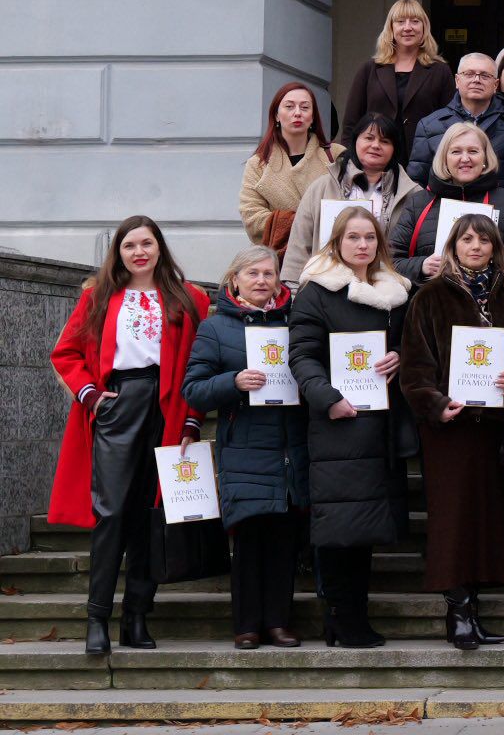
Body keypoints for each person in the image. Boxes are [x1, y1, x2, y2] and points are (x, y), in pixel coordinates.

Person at [49, 216, 210, 656]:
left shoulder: (190, 297)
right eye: (129, 246)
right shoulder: (99, 295)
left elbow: (202, 362)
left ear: (159, 247)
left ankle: (137, 616)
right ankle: (97, 617)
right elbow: (65, 352)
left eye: (147, 243)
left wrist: (193, 419)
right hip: (118, 404)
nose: (139, 252)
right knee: (113, 512)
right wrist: (91, 396)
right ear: (118, 252)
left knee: (151, 514)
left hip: (170, 407)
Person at [288, 206, 410, 649]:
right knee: (340, 528)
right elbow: (301, 356)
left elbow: (405, 347)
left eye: (370, 238)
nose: (362, 245)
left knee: (365, 528)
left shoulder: (396, 293)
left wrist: (400, 358)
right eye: (353, 238)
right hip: (338, 425)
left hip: (381, 426)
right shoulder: (317, 292)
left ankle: (355, 616)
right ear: (336, 243)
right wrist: (328, 399)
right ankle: (339, 618)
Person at [398, 213, 504, 650]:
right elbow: (414, 366)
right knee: (452, 517)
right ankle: (457, 611)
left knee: (482, 517)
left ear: (495, 247)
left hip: (489, 426)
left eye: (484, 240)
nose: (476, 247)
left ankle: (475, 609)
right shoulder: (430, 296)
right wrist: (435, 404)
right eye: (467, 239)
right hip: (448, 427)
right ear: (452, 246)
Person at [182, 246, 306, 650]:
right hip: (244, 448)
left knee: (284, 539)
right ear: (234, 279)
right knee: (250, 539)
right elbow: (194, 389)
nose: (261, 281)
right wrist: (232, 382)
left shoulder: (296, 321)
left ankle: (279, 622)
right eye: (252, 273)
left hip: (289, 446)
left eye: (269, 274)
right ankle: (247, 625)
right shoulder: (215, 328)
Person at [389, 123, 504, 285]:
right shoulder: (418, 202)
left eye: (473, 151)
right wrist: (421, 266)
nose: (465, 158)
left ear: (485, 157)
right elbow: (390, 260)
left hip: (491, 304)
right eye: (456, 152)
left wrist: (492, 272)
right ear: (444, 159)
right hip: (431, 303)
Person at [284, 112, 421, 285]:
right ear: (355, 141)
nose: (375, 145)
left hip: (387, 292)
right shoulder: (322, 187)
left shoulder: (412, 194)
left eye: (385, 141)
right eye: (369, 138)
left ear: (394, 149)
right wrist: (294, 290)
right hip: (325, 288)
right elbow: (299, 244)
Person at [340, 0, 455, 157]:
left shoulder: (440, 71)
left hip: (424, 160)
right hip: (376, 159)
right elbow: (351, 123)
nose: (407, 27)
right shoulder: (369, 70)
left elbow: (450, 122)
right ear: (391, 28)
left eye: (415, 21)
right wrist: (349, 159)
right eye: (400, 21)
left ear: (424, 28)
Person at [238, 81, 336, 259]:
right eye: (289, 107)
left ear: (313, 117)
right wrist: (303, 223)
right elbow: (251, 215)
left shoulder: (335, 157)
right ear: (276, 115)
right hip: (278, 260)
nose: (297, 113)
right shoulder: (258, 164)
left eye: (305, 107)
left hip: (329, 257)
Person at [407, 53, 504, 185]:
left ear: (495, 85)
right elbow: (417, 180)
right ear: (457, 80)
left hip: (499, 203)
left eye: (485, 75)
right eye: (469, 74)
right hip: (446, 203)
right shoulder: (429, 125)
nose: (476, 80)